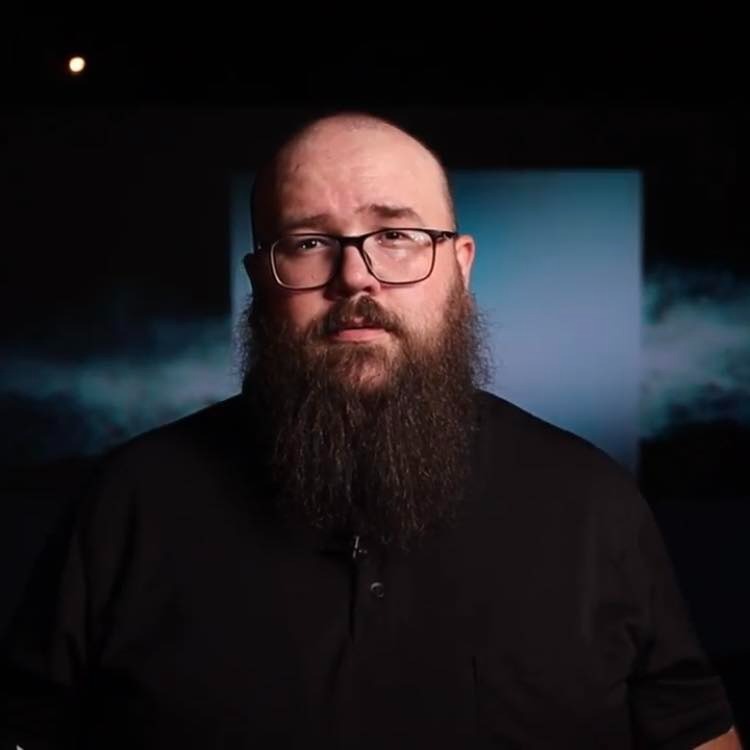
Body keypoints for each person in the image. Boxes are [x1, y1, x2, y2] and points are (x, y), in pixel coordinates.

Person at [0, 112, 741, 748]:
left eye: (397, 234)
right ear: (260, 280)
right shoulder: (129, 504)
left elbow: (693, 730)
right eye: (308, 242)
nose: (356, 276)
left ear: (459, 266)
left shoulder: (593, 503)